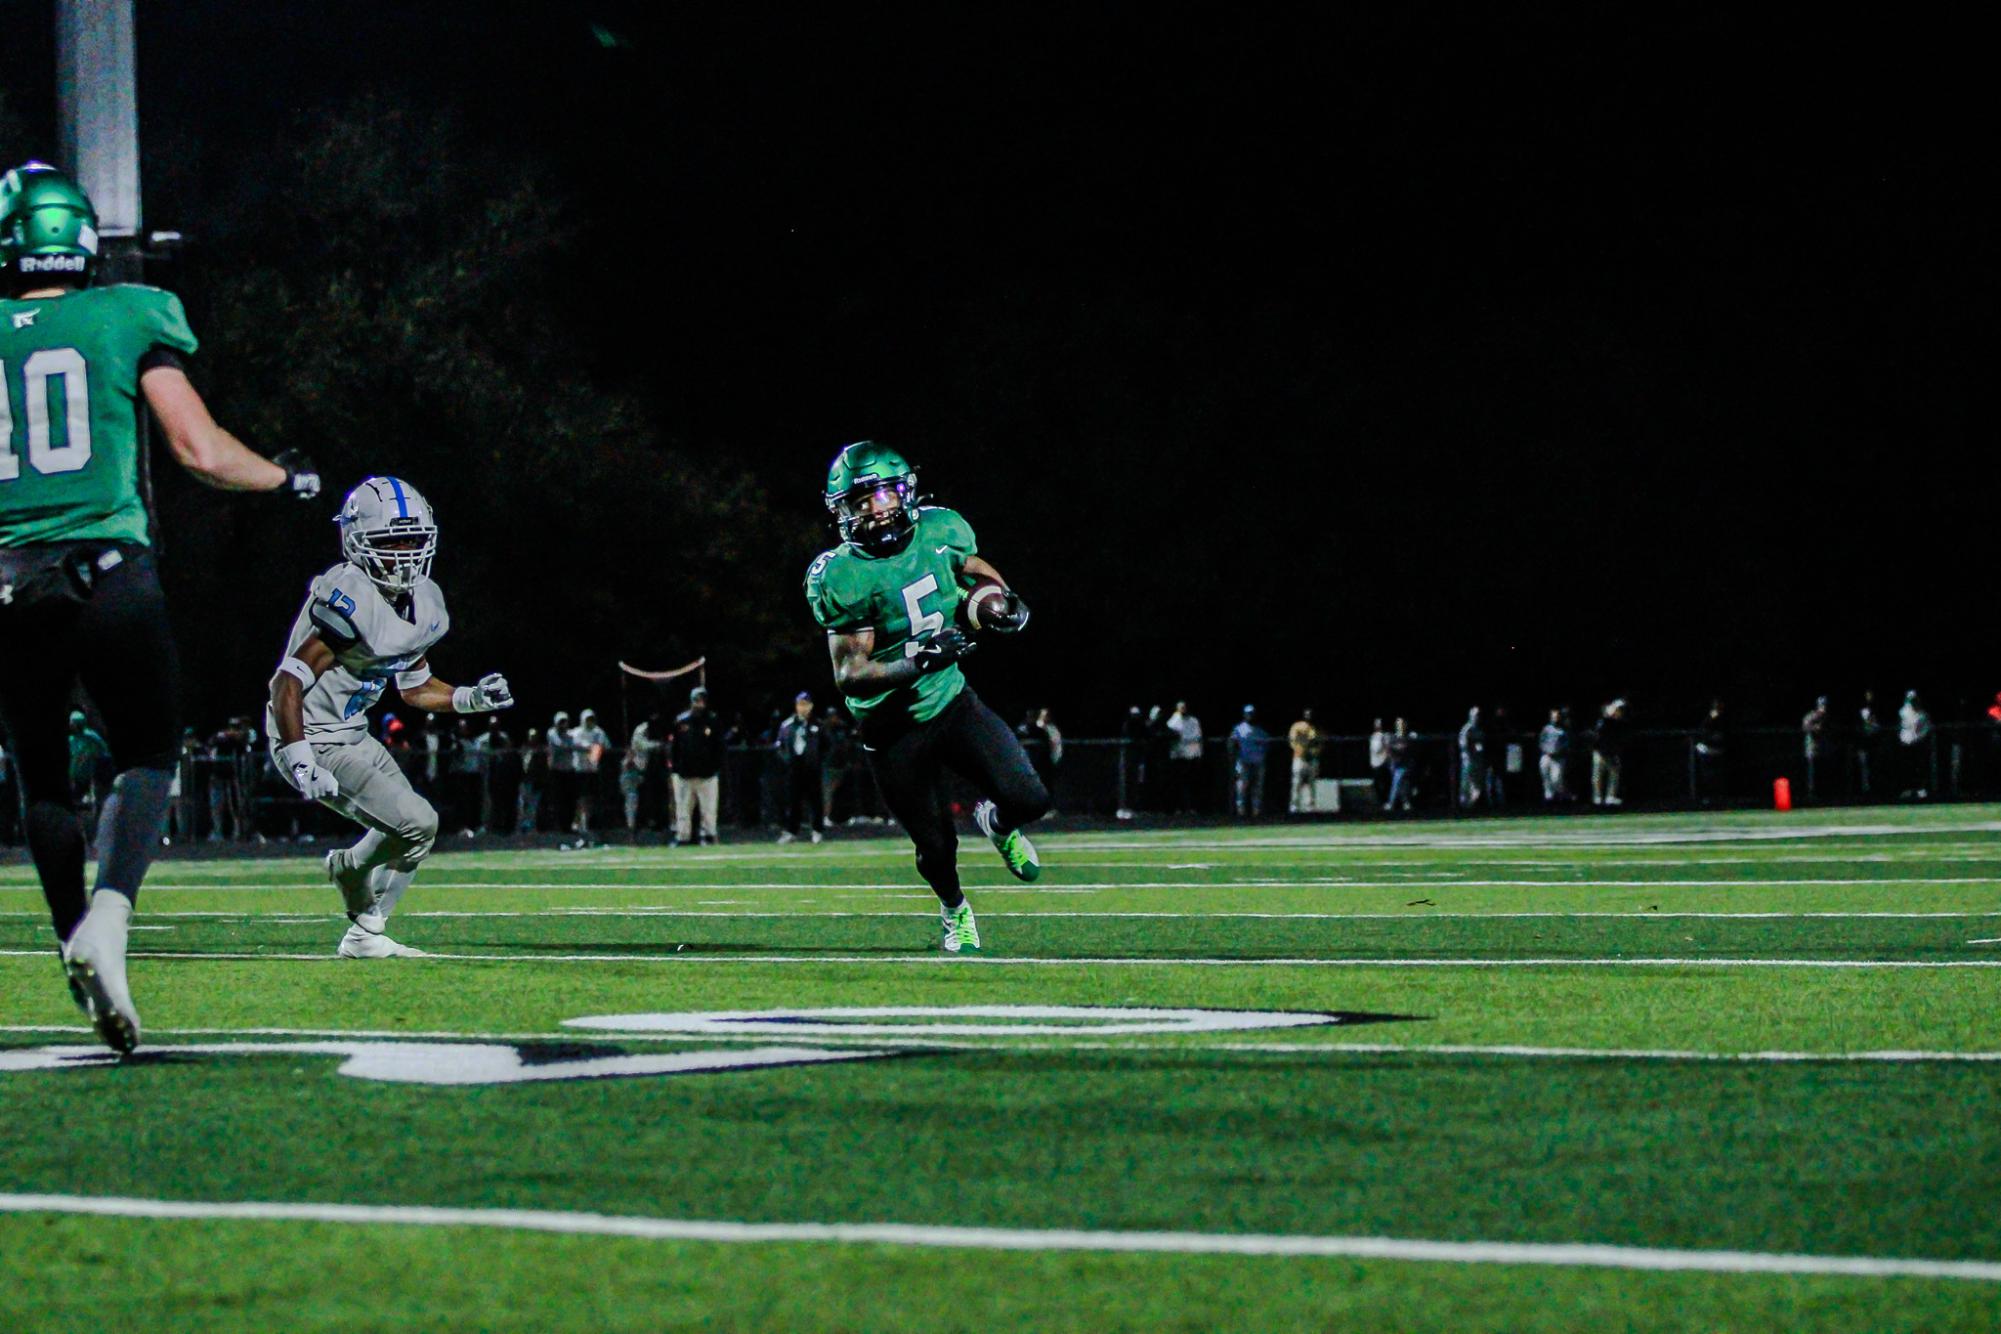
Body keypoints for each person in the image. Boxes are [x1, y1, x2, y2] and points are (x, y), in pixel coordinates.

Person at [0, 162, 320, 1051]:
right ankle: (109, 918)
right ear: (83, 236)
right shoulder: (129, 310)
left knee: (43, 780)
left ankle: (76, 938)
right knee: (146, 752)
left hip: (8, 581)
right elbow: (197, 447)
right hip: (107, 569)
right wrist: (288, 478)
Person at [806, 441, 1048, 952]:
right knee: (935, 846)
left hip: (950, 700)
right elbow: (851, 674)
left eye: (886, 493)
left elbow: (974, 569)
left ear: (906, 491)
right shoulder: (843, 574)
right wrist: (918, 659)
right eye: (862, 500)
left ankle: (997, 822)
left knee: (1030, 798)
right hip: (891, 725)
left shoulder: (941, 529)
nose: (877, 507)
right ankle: (955, 909)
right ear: (843, 512)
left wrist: (1000, 600)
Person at [265, 477, 513, 958]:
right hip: (312, 736)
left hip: (354, 734)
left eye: (412, 541)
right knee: (416, 821)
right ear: (358, 544)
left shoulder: (427, 601)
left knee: (418, 837)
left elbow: (416, 687)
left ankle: (364, 935)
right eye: (389, 542)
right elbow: (286, 684)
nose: (403, 554)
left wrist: (473, 698)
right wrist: (299, 760)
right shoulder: (349, 595)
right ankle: (352, 869)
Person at [670, 686, 724, 845]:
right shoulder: (681, 721)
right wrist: (676, 768)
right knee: (683, 810)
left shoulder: (713, 721)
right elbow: (675, 747)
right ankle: (683, 837)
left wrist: (715, 768)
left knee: (709, 810)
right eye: (696, 700)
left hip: (707, 775)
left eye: (702, 701)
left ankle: (709, 836)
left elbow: (719, 747)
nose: (699, 704)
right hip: (684, 775)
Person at [775, 692, 826, 844]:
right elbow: (779, 746)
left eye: (806, 704)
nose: (803, 708)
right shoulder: (787, 725)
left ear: (811, 706)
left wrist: (818, 760)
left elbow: (827, 745)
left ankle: (817, 831)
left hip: (812, 769)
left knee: (815, 801)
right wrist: (787, 760)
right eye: (800, 704)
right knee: (793, 802)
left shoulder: (818, 725)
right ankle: (791, 831)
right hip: (794, 769)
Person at [569, 707, 610, 841]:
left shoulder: (598, 732)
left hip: (593, 772)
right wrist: (588, 747)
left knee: (591, 800)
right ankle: (579, 825)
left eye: (592, 719)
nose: (589, 722)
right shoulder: (576, 732)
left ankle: (588, 825)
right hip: (579, 771)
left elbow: (606, 745)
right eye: (587, 719)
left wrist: (596, 748)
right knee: (580, 799)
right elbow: (573, 744)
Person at [621, 714, 661, 836]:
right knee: (633, 800)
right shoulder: (641, 730)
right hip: (634, 772)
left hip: (647, 772)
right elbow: (641, 744)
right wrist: (658, 745)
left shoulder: (656, 730)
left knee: (648, 800)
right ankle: (632, 828)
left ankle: (647, 824)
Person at [1228, 705, 1270, 818]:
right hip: (1244, 762)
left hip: (1258, 762)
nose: (1250, 716)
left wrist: (1262, 755)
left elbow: (1267, 745)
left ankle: (1256, 811)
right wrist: (1234, 757)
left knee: (1257, 787)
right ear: (1244, 715)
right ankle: (1240, 811)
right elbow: (1231, 744)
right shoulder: (1239, 728)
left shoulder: (1260, 731)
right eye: (1248, 713)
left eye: (1252, 713)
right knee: (1242, 787)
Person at [1164, 701, 1204, 813]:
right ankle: (1178, 808)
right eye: (1180, 708)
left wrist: (1199, 754)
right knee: (1178, 784)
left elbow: (1198, 738)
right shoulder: (1173, 720)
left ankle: (1191, 807)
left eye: (1184, 707)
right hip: (1178, 757)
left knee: (1191, 784)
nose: (1183, 710)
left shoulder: (1193, 721)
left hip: (1191, 756)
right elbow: (1170, 734)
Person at [1592, 699, 1628, 807]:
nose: (1619, 712)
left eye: (1620, 710)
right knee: (1597, 776)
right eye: (1618, 709)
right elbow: (1598, 736)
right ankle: (1597, 797)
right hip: (1600, 752)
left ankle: (1610, 797)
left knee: (1614, 774)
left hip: (1611, 753)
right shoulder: (1603, 722)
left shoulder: (1619, 723)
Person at [1898, 690, 1932, 799]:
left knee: (1919, 768)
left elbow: (1926, 727)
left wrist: (1920, 737)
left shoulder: (1922, 714)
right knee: (1907, 768)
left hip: (1918, 744)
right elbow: (1902, 727)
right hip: (1906, 744)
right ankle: (1908, 790)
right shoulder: (1903, 712)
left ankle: (1920, 790)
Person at [1287, 708, 1321, 813]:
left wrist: (1314, 752)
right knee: (1296, 782)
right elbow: (1292, 741)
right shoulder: (1297, 726)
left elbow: (1320, 744)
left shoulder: (1316, 728)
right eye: (1307, 714)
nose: (1309, 716)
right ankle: (1294, 806)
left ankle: (1310, 807)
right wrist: (1301, 751)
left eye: (1310, 714)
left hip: (1312, 759)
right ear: (1303, 715)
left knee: (1311, 783)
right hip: (1299, 758)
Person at [1694, 700, 1727, 805]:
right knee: (1706, 775)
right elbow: (1702, 733)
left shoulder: (1722, 719)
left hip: (1716, 751)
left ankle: (1716, 797)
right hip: (1707, 750)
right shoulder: (1708, 719)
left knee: (1716, 776)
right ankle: (1705, 798)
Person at [1801, 696, 1831, 800]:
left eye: (1825, 706)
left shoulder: (1827, 718)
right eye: (1822, 706)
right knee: (1811, 774)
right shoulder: (1811, 716)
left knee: (1823, 773)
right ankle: (1811, 794)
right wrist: (1814, 728)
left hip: (1823, 750)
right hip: (1812, 750)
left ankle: (1823, 793)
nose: (1824, 708)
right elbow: (1805, 727)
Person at [1383, 717, 1416, 812]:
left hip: (1404, 765)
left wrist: (1397, 748)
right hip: (1394, 764)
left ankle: (1391, 803)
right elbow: (1390, 749)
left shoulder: (1408, 736)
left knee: (1396, 782)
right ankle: (1406, 803)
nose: (1400, 726)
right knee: (1402, 785)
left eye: (1401, 724)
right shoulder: (1393, 737)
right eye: (1398, 724)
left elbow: (1405, 748)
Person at [1457, 706, 1487, 810]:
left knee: (1477, 785)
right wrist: (1473, 748)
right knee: (1466, 784)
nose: (1477, 717)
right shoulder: (1467, 729)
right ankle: (1464, 806)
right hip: (1468, 761)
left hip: (1478, 760)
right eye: (1475, 715)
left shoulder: (1480, 730)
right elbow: (1463, 745)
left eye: (1478, 715)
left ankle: (1472, 805)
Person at [1538, 708, 1570, 803]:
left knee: (1556, 779)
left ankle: (1561, 796)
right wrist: (1546, 750)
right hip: (1546, 756)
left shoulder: (1563, 730)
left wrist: (1560, 751)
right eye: (1553, 717)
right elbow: (1541, 742)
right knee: (1546, 778)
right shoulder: (1546, 729)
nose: (1555, 719)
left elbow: (1567, 743)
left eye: (1557, 717)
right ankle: (1549, 798)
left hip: (1558, 758)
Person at [1855, 691, 1883, 797]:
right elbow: (1858, 728)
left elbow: (1878, 726)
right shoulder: (1860, 712)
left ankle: (1874, 789)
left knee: (1874, 767)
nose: (1869, 698)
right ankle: (1864, 790)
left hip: (1873, 742)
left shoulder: (1876, 711)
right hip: (1863, 743)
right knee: (1864, 767)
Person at [1368, 718, 1390, 807]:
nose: (1378, 726)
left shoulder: (1385, 736)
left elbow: (1385, 748)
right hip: (1375, 764)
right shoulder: (1374, 736)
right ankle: (1380, 802)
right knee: (1377, 784)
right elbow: (1374, 750)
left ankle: (1386, 802)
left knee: (1384, 784)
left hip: (1383, 763)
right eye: (1376, 724)